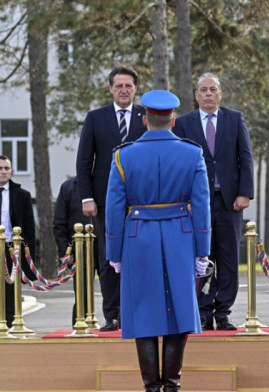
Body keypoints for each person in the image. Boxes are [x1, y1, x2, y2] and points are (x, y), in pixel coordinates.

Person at [105, 90, 211, 392]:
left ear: (143, 120)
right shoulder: (192, 154)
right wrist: (202, 250)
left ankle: (151, 388)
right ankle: (172, 386)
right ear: (173, 120)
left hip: (138, 238)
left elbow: (114, 209)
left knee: (143, 313)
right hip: (180, 236)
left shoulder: (123, 155)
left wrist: (114, 252)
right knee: (180, 311)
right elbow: (202, 207)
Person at [172, 72, 254, 331]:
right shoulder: (184, 123)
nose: (208, 94)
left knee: (229, 258)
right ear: (196, 95)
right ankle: (204, 311)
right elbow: (179, 163)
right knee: (202, 258)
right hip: (196, 204)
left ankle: (224, 312)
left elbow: (246, 158)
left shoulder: (235, 119)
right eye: (203, 90)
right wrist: (182, 198)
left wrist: (244, 193)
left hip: (229, 202)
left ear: (220, 94)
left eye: (213, 89)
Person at [76, 64, 148, 332]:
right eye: (119, 85)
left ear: (136, 88)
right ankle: (112, 315)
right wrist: (87, 198)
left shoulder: (146, 116)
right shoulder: (96, 118)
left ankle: (138, 312)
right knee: (109, 258)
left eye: (128, 85)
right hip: (105, 202)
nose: (124, 89)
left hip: (142, 201)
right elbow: (84, 161)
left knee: (140, 257)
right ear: (110, 88)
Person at [53, 176, 98, 327]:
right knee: (82, 296)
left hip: (106, 248)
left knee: (114, 295)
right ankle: (79, 326)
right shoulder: (68, 187)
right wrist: (65, 252)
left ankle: (116, 327)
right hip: (79, 251)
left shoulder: (109, 183)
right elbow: (59, 223)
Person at [0, 155, 37, 328]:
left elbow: (29, 229)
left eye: (6, 168)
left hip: (11, 249)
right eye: (0, 168)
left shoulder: (22, 195)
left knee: (10, 290)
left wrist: (30, 262)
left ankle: (9, 324)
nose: (3, 172)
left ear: (11, 170)